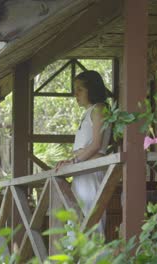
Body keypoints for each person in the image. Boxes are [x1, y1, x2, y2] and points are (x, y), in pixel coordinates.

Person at [55, 70, 111, 234]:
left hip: (91, 172)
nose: (75, 94)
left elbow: (96, 145)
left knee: (92, 221)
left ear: (91, 89)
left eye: (80, 89)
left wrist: (75, 160)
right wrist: (72, 159)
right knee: (76, 224)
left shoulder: (99, 109)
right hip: (81, 173)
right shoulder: (88, 112)